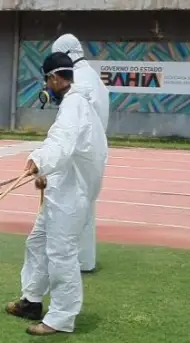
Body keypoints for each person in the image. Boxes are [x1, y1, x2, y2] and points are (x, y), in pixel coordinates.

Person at [5, 51, 108, 336]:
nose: (47, 87)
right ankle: (31, 302)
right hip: (63, 190)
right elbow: (71, 150)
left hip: (72, 197)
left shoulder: (75, 105)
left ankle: (61, 319)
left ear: (54, 78)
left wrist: (39, 162)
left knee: (61, 254)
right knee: (37, 243)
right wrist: (45, 175)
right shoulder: (77, 104)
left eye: (47, 80)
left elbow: (61, 141)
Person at [48, 33, 110, 273]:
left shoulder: (79, 82)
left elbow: (71, 123)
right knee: (85, 207)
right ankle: (84, 260)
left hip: (79, 152)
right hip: (94, 150)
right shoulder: (93, 77)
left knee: (69, 206)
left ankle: (69, 259)